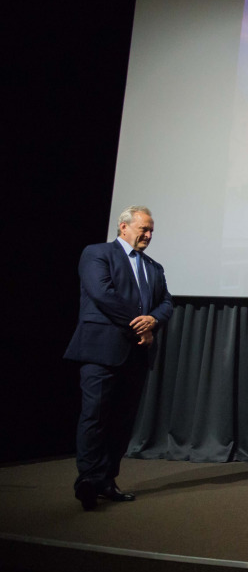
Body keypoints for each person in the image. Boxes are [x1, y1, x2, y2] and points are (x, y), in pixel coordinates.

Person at [65, 205, 174, 510]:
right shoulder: (97, 253)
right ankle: (88, 481)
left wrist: (153, 320)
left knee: (122, 423)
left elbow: (166, 302)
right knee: (95, 416)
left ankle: (106, 480)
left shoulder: (154, 267)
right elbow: (102, 295)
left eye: (151, 231)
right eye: (143, 229)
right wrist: (140, 324)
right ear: (123, 227)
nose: (148, 235)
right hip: (101, 350)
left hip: (136, 354)